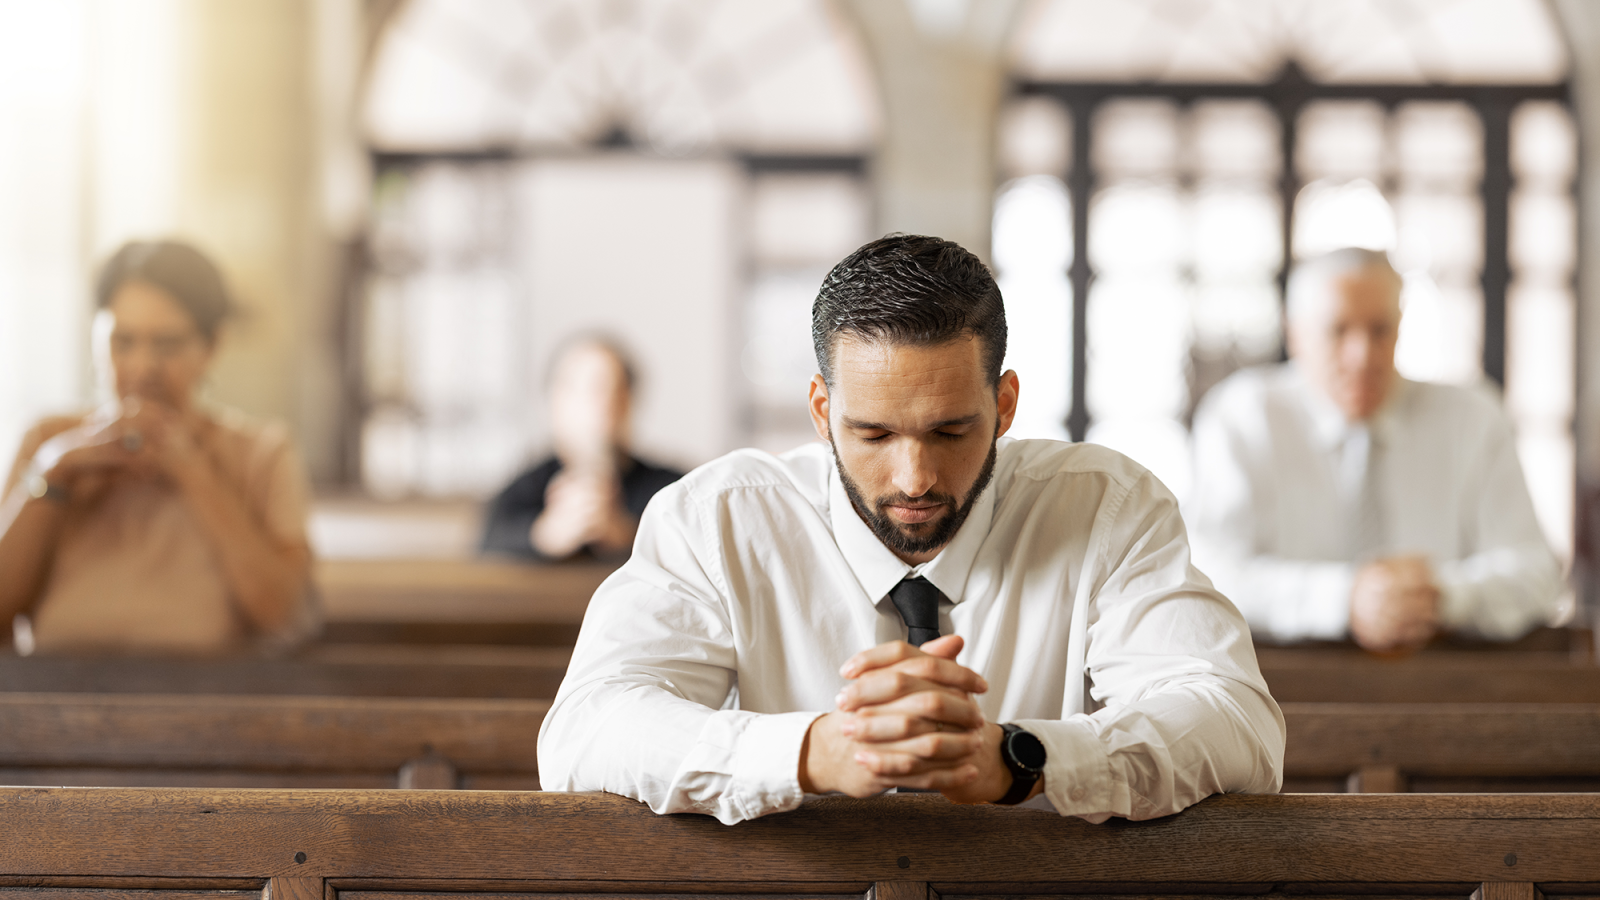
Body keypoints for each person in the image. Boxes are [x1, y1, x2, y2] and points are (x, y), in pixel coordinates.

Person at [538, 235, 1284, 824]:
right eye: (872, 434)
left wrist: (1022, 759)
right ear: (823, 411)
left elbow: (1235, 721)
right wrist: (811, 752)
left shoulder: (1107, 507)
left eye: (951, 431)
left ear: (1007, 404)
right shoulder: (718, 520)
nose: (913, 478)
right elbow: (585, 732)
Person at [1186, 248, 1563, 651]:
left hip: (1447, 683)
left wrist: (1442, 596)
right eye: (1338, 330)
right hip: (1283, 688)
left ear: (1401, 327)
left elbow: (1538, 573)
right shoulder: (1242, 417)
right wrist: (1342, 598)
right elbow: (1208, 575)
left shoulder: (1474, 418)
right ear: (1294, 334)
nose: (1362, 356)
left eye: (1380, 330)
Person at [0, 240, 316, 656]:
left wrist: (195, 473)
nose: (143, 367)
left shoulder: (261, 453)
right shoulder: (50, 443)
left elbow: (285, 617)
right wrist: (53, 475)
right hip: (53, 713)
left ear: (212, 346)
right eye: (123, 342)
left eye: (167, 345)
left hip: (209, 712)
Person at [481, 336, 683, 561]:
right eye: (581, 388)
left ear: (628, 402)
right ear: (553, 401)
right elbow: (483, 548)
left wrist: (626, 536)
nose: (600, 402)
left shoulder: (672, 490)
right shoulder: (522, 491)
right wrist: (546, 536)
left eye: (612, 389)